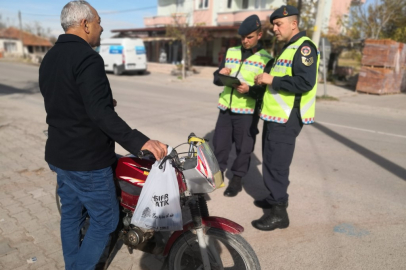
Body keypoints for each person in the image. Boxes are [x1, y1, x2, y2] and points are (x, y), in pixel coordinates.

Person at [39, 1, 167, 269]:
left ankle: (73, 264)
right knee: (105, 221)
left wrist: (101, 104)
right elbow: (100, 113)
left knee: (72, 215)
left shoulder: (50, 57)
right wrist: (140, 141)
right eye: (98, 21)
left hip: (60, 155)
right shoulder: (88, 58)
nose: (102, 26)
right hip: (87, 161)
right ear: (85, 24)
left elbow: (63, 100)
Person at [250, 5, 319, 231]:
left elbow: (304, 82)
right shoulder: (288, 48)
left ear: (294, 24)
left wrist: (272, 80)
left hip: (287, 118)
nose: (275, 30)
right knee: (270, 161)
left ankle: (279, 213)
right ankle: (273, 198)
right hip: (275, 116)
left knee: (277, 165)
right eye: (274, 26)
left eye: (278, 24)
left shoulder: (304, 48)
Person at [212, 15, 273, 197]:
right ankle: (217, 177)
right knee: (220, 146)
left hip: (247, 112)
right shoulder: (231, 52)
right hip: (226, 108)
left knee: (243, 148)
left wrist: (249, 90)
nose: (245, 41)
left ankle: (237, 181)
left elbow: (265, 93)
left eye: (249, 37)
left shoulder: (266, 59)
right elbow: (217, 79)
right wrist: (219, 74)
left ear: (259, 35)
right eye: (243, 37)